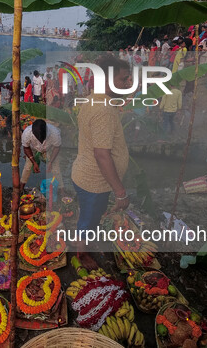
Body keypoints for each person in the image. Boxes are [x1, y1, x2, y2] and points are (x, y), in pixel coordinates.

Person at [71, 54, 130, 268]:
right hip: (94, 182)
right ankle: (81, 254)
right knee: (89, 220)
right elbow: (102, 155)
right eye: (124, 79)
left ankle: (83, 238)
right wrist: (120, 192)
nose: (127, 83)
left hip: (85, 174)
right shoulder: (103, 109)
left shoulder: (94, 99)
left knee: (88, 215)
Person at [20, 119, 64, 193]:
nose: (40, 141)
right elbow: (26, 148)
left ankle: (62, 190)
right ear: (33, 132)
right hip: (33, 149)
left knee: (56, 168)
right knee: (27, 167)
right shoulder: (27, 132)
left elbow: (57, 147)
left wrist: (50, 162)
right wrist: (34, 162)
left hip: (49, 148)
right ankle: (21, 188)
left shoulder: (54, 133)